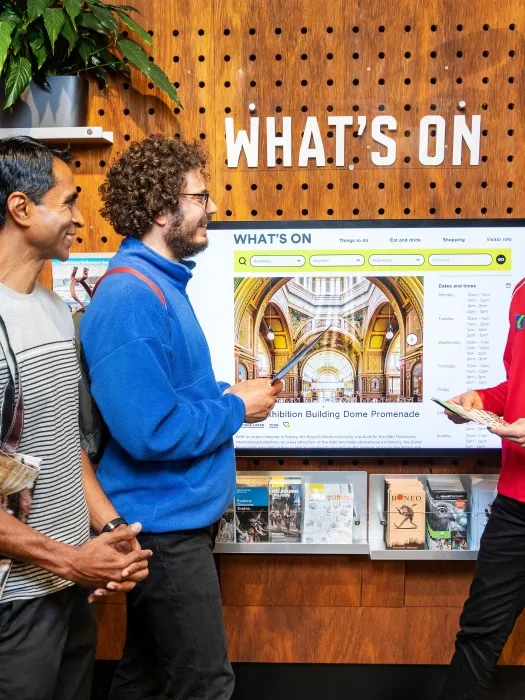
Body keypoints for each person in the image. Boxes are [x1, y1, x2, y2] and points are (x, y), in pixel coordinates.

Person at [80, 134, 282, 700]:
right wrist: (235, 408)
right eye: (200, 197)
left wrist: (227, 394)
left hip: (171, 522)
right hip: (164, 530)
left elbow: (168, 394)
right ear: (160, 210)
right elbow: (151, 432)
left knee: (143, 675)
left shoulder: (160, 284)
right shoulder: (130, 298)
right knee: (205, 682)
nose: (211, 207)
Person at [0, 136, 152, 700]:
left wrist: (112, 532)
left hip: (69, 588)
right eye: (68, 202)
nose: (81, 220)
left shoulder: (55, 311)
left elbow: (64, 445)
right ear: (21, 208)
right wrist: (73, 561)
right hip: (15, 604)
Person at [439, 277, 525, 699]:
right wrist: (482, 400)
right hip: (515, 505)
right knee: (478, 633)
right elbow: (517, 385)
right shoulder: (522, 292)